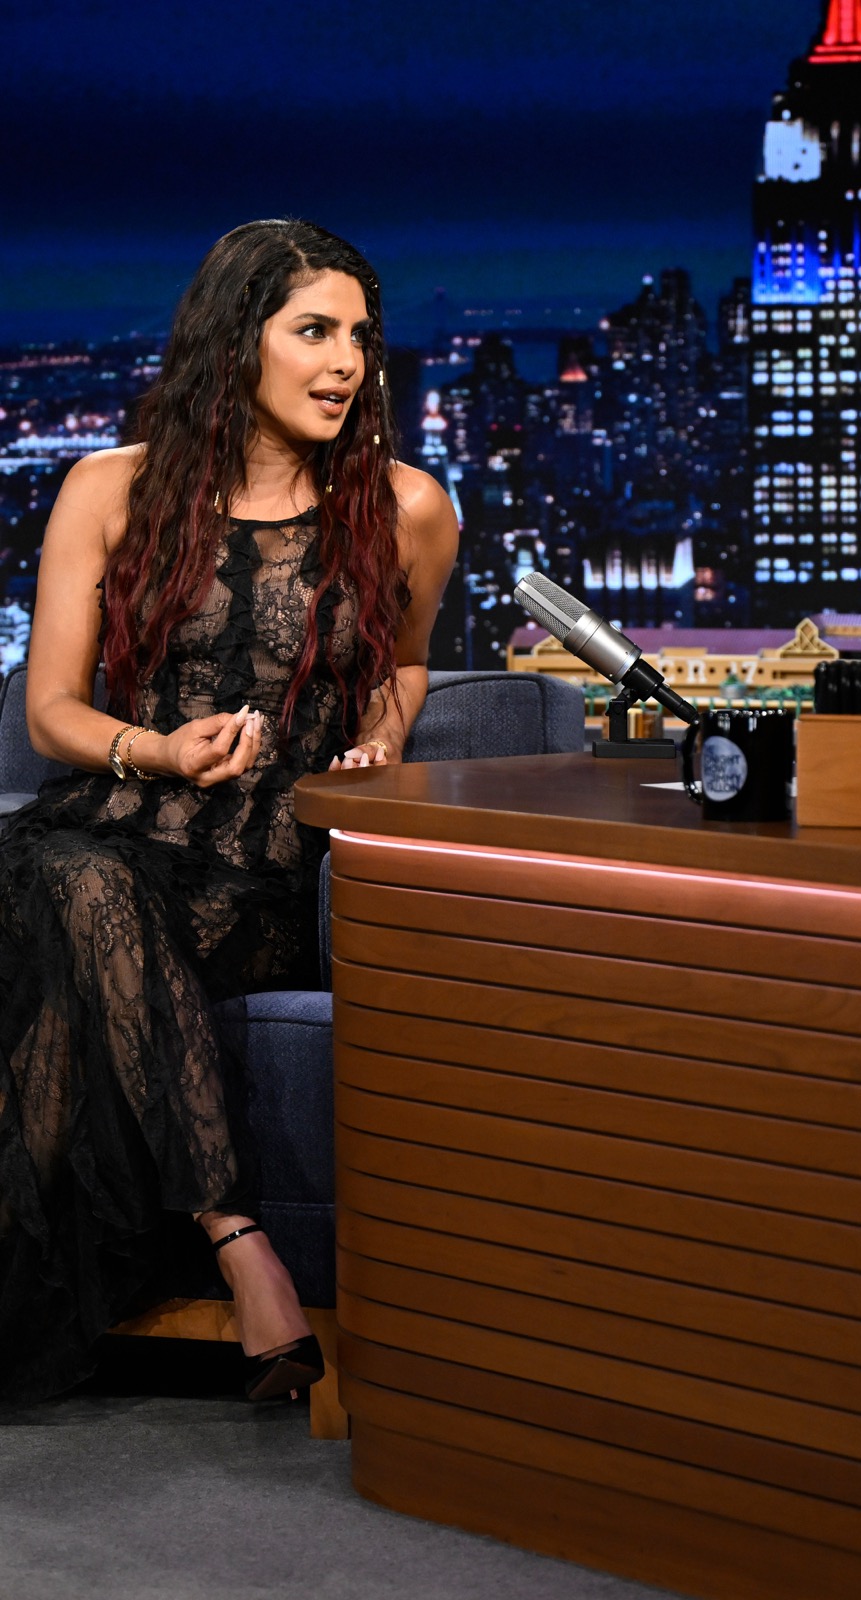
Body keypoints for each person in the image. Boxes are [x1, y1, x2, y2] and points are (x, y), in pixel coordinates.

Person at [0, 220, 458, 1404]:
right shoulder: (109, 488)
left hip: (262, 872)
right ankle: (237, 1235)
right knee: (77, 880)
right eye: (314, 330)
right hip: (115, 824)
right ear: (235, 341)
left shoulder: (408, 506)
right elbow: (50, 709)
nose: (346, 361)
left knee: (62, 971)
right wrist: (155, 746)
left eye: (361, 335)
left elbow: (406, 664)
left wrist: (381, 736)